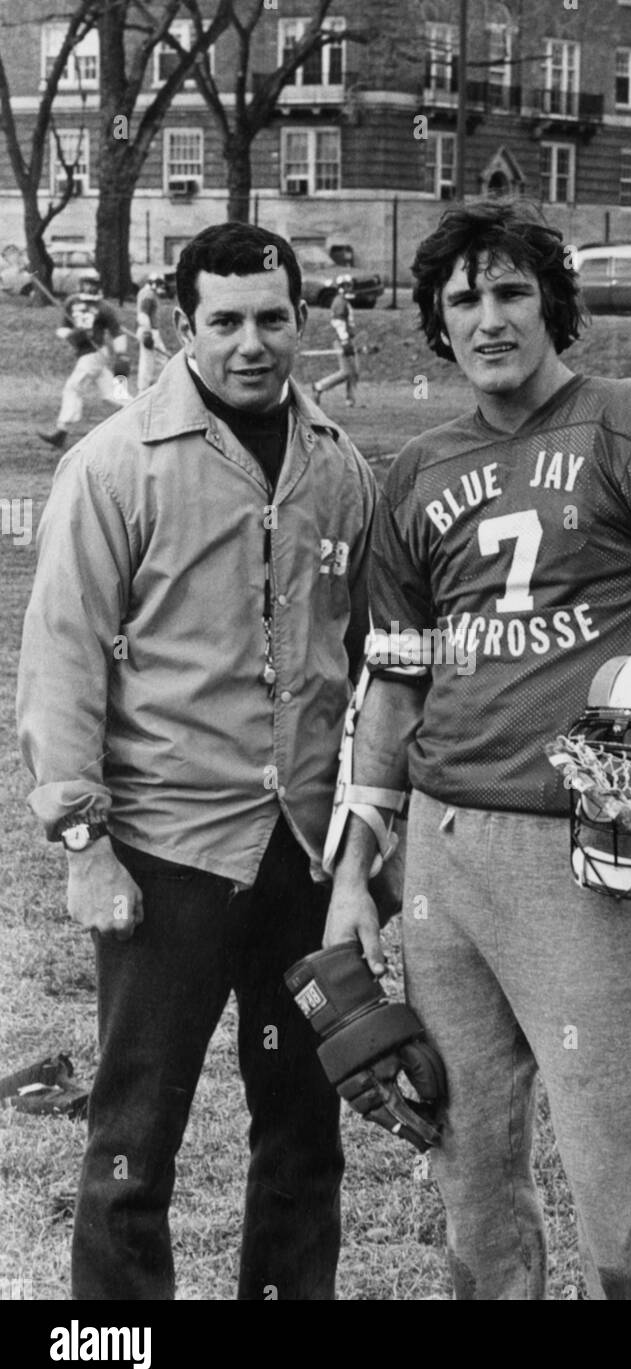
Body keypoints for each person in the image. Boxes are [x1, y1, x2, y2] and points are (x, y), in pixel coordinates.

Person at [322, 200, 631, 1301]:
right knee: (469, 1158)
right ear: (438, 327)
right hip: (441, 853)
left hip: (579, 848)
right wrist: (357, 868)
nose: (490, 318)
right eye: (463, 301)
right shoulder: (415, 470)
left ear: (554, 301)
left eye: (511, 292)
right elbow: (394, 678)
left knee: (607, 1158)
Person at [18, 222, 377, 1300]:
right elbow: (62, 660)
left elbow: (364, 667)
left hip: (302, 859)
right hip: (168, 855)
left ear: (303, 321)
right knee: (134, 1143)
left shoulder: (342, 469)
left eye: (273, 318)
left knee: (303, 1133)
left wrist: (367, 848)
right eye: (223, 320)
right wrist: (85, 846)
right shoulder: (114, 464)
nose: (251, 343)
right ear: (183, 326)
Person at [37, 272, 131, 450]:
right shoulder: (71, 301)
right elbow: (62, 328)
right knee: (113, 394)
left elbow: (116, 332)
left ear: (99, 285)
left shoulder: (104, 307)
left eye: (92, 284)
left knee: (72, 388)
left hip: (95, 352)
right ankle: (142, 412)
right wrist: (73, 335)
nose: (89, 287)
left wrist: (121, 353)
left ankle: (61, 430)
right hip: (85, 352)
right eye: (86, 283)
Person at [313, 284, 358, 407]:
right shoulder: (340, 302)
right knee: (346, 372)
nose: (350, 289)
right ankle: (319, 386)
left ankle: (350, 401)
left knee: (353, 371)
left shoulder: (343, 301)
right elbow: (338, 323)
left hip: (347, 339)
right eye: (347, 286)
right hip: (342, 340)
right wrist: (345, 341)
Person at [135, 271, 169, 391]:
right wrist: (147, 333)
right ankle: (143, 390)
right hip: (149, 331)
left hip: (150, 330)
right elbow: (143, 315)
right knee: (148, 362)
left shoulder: (147, 293)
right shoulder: (148, 294)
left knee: (160, 360)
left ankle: (155, 387)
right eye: (159, 283)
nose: (161, 286)